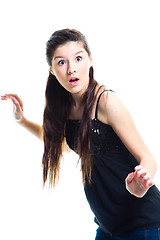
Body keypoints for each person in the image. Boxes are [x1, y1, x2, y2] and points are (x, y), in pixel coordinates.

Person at [1, 29, 160, 240]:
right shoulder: (65, 109)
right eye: (61, 62)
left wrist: (142, 182)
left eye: (78, 58)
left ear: (90, 59)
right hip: (107, 226)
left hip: (142, 224)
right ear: (51, 69)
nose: (71, 69)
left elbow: (147, 158)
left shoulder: (105, 102)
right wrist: (21, 120)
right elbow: (58, 143)